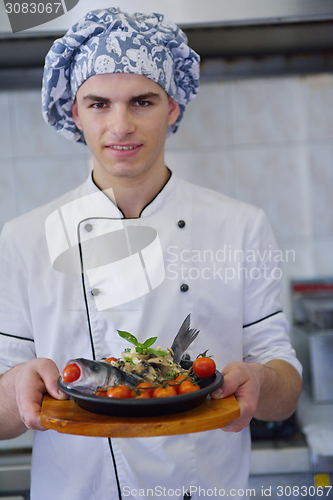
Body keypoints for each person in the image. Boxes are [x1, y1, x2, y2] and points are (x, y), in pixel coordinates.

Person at [0, 7, 302, 500]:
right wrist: (16, 388)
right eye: (99, 104)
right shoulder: (24, 239)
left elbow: (284, 389)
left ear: (173, 107)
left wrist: (260, 383)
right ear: (74, 112)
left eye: (142, 101)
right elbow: (2, 419)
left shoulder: (240, 226)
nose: (120, 126)